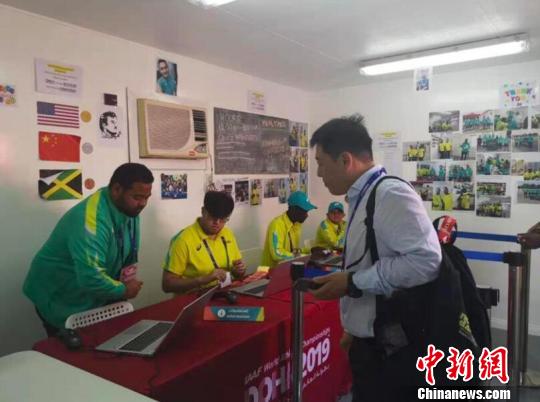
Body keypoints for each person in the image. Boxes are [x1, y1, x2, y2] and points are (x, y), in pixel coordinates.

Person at [308, 114, 441, 402]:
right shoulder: (364, 196)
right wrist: (355, 329)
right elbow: (371, 259)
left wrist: (353, 282)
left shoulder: (390, 194)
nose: (318, 174)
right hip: (371, 342)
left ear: (345, 160)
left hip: (393, 350)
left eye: (321, 163)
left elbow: (426, 261)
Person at [23, 163, 153, 336]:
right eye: (137, 197)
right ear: (116, 189)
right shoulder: (91, 220)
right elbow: (91, 277)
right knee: (71, 348)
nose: (143, 204)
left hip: (93, 292)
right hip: (59, 294)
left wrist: (124, 284)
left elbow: (127, 251)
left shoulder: (129, 209)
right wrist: (124, 290)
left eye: (147, 197)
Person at [162, 191, 246, 295]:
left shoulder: (228, 234)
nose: (217, 223)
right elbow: (167, 284)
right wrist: (202, 279)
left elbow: (238, 272)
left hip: (223, 294)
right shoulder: (183, 240)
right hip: (194, 299)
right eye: (213, 217)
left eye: (223, 219)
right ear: (203, 211)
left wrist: (239, 271)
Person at [261, 191, 317, 268]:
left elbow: (292, 251)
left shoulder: (296, 224)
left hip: (288, 267)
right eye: (304, 211)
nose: (307, 215)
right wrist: (302, 256)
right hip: (272, 271)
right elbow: (277, 254)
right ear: (293, 209)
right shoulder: (277, 224)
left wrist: (310, 251)